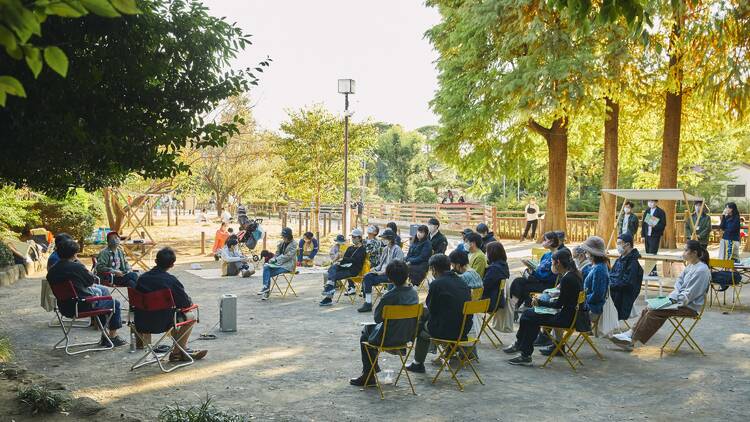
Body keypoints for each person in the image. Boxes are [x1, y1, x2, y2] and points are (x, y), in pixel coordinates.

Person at [610, 240, 710, 350]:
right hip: (678, 301)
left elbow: (690, 294)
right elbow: (679, 283)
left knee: (654, 312)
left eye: (686, 250)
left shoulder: (701, 270)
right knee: (649, 306)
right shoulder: (691, 266)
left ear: (694, 253)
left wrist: (673, 301)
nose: (683, 253)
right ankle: (630, 333)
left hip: (689, 306)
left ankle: (633, 341)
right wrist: (672, 298)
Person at [503, 248, 582, 365]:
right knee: (528, 314)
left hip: (566, 318)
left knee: (530, 317)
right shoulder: (574, 275)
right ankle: (522, 347)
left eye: (552, 262)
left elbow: (558, 304)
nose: (552, 265)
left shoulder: (568, 278)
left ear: (558, 262)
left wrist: (540, 303)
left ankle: (525, 353)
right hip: (571, 314)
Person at [349, 261, 419, 386]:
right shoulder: (414, 293)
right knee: (370, 332)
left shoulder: (389, 296)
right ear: (407, 275)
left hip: (388, 338)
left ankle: (369, 374)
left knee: (365, 333)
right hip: (406, 336)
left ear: (390, 278)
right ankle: (371, 372)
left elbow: (377, 318)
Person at [46, 238, 127, 347]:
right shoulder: (76, 267)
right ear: (74, 254)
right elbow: (90, 280)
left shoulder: (52, 271)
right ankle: (112, 336)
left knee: (103, 298)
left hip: (64, 307)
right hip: (82, 305)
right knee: (114, 303)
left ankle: (106, 334)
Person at [135, 247, 207, 361]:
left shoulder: (141, 279)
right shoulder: (171, 280)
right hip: (164, 322)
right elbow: (185, 303)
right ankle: (177, 352)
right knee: (189, 316)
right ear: (172, 265)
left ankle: (183, 349)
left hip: (141, 321)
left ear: (155, 261)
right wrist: (189, 302)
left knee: (172, 314)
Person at [405, 254, 472, 373]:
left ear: (434, 269)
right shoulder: (462, 282)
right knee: (423, 317)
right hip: (463, 329)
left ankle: (417, 362)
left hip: (446, 331)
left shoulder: (437, 284)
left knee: (420, 327)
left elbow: (432, 308)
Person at [510, 231, 568, 309]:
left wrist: (535, 274)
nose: (542, 242)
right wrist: (532, 271)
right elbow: (539, 268)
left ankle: (515, 307)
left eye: (545, 240)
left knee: (523, 287)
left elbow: (551, 276)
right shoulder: (546, 255)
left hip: (547, 284)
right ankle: (514, 305)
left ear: (551, 242)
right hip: (538, 280)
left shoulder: (557, 257)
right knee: (518, 281)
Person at [358, 229, 405, 313]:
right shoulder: (385, 249)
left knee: (368, 279)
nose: (383, 240)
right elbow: (381, 264)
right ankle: (368, 302)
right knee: (367, 276)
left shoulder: (397, 250)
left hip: (391, 274)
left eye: (384, 238)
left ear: (390, 239)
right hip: (382, 273)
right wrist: (375, 269)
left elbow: (396, 266)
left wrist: (381, 272)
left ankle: (368, 303)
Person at [319, 229, 366, 306]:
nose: (352, 238)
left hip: (353, 270)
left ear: (360, 238)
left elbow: (357, 261)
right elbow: (345, 258)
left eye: (354, 237)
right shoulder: (350, 248)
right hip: (345, 267)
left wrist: (343, 259)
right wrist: (340, 261)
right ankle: (329, 288)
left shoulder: (362, 249)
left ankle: (328, 297)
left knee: (331, 275)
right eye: (352, 237)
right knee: (333, 267)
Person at [609, 233, 643, 321]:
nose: (617, 246)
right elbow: (611, 275)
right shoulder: (620, 259)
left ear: (628, 245)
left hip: (621, 295)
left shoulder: (633, 263)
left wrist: (609, 286)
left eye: (619, 243)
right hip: (613, 290)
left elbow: (627, 283)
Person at [258, 228, 297, 300]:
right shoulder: (281, 243)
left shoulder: (294, 244)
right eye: (282, 236)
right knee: (266, 267)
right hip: (278, 264)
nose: (283, 238)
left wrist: (276, 259)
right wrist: (273, 259)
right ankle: (266, 288)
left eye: (284, 236)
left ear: (288, 236)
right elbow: (277, 253)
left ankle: (266, 290)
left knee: (267, 272)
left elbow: (288, 256)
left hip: (287, 265)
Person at [578, 236, 609, 321]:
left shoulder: (599, 269)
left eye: (587, 252)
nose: (586, 254)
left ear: (593, 254)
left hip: (592, 308)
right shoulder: (597, 266)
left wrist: (582, 299)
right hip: (589, 304)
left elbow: (598, 294)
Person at [482, 241, 510, 312]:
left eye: (487, 253)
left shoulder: (494, 269)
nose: (486, 255)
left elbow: (484, 286)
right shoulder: (504, 265)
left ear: (491, 254)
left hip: (490, 302)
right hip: (497, 299)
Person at [642, 199, 666, 275]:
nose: (650, 203)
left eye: (652, 202)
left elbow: (663, 224)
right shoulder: (647, 211)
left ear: (656, 202)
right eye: (649, 201)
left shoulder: (661, 212)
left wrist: (653, 224)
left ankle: (653, 271)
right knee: (648, 252)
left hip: (655, 235)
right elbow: (643, 224)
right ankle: (649, 270)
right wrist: (642, 235)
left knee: (652, 253)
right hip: (647, 235)